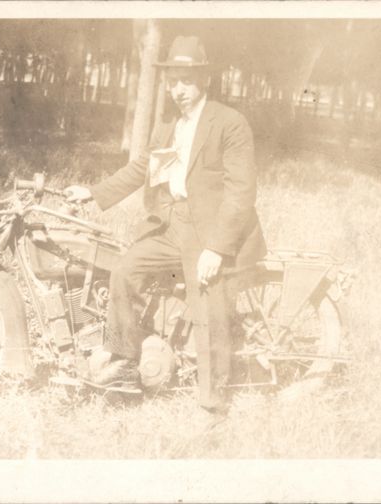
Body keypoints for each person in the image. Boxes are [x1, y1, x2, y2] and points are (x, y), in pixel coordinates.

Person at [65, 35, 266, 414]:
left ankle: (214, 404)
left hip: (210, 232)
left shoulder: (229, 123)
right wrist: (92, 193)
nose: (178, 90)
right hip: (170, 226)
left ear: (204, 80)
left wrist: (216, 248)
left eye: (186, 81)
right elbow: (142, 169)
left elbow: (241, 194)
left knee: (208, 312)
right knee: (124, 271)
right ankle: (125, 363)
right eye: (172, 81)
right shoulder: (168, 125)